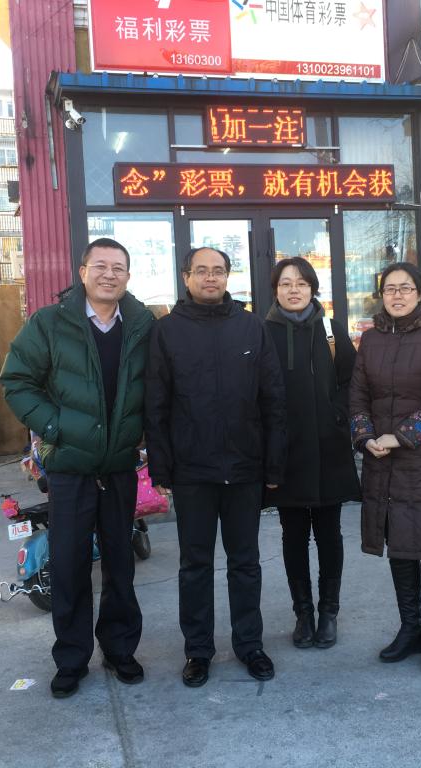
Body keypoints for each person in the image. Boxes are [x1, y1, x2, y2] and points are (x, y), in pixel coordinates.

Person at [0, 237, 154, 698]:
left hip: (120, 467)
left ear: (128, 276)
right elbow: (17, 381)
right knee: (68, 566)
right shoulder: (50, 323)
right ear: (83, 272)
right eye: (100, 266)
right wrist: (55, 426)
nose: (110, 274)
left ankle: (120, 650)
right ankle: (71, 659)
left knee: (121, 565)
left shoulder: (143, 325)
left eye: (119, 267)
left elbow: (160, 385)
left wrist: (146, 433)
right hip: (69, 467)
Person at [146, 246, 286, 688]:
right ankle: (198, 651)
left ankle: (250, 645)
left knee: (246, 563)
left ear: (228, 276)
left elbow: (273, 399)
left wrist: (273, 465)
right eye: (202, 271)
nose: (211, 278)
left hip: (244, 468)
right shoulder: (167, 331)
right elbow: (156, 403)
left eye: (219, 271)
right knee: (195, 566)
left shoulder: (251, 327)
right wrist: (161, 468)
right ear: (186, 276)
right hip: (193, 471)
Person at [349, 262, 421, 674]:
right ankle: (410, 627)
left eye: (405, 288)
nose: (397, 295)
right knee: (399, 546)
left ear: (419, 294)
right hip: (384, 461)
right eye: (389, 289)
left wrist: (400, 437)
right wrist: (365, 437)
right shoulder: (371, 339)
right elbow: (357, 395)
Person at [264, 257, 360, 650]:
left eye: (301, 283)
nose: (294, 290)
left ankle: (329, 612)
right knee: (293, 535)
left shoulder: (331, 330)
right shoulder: (263, 332)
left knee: (329, 534)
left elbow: (352, 382)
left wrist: (338, 415)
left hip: (328, 449)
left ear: (312, 289)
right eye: (286, 283)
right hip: (285, 452)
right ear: (275, 289)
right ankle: (303, 613)